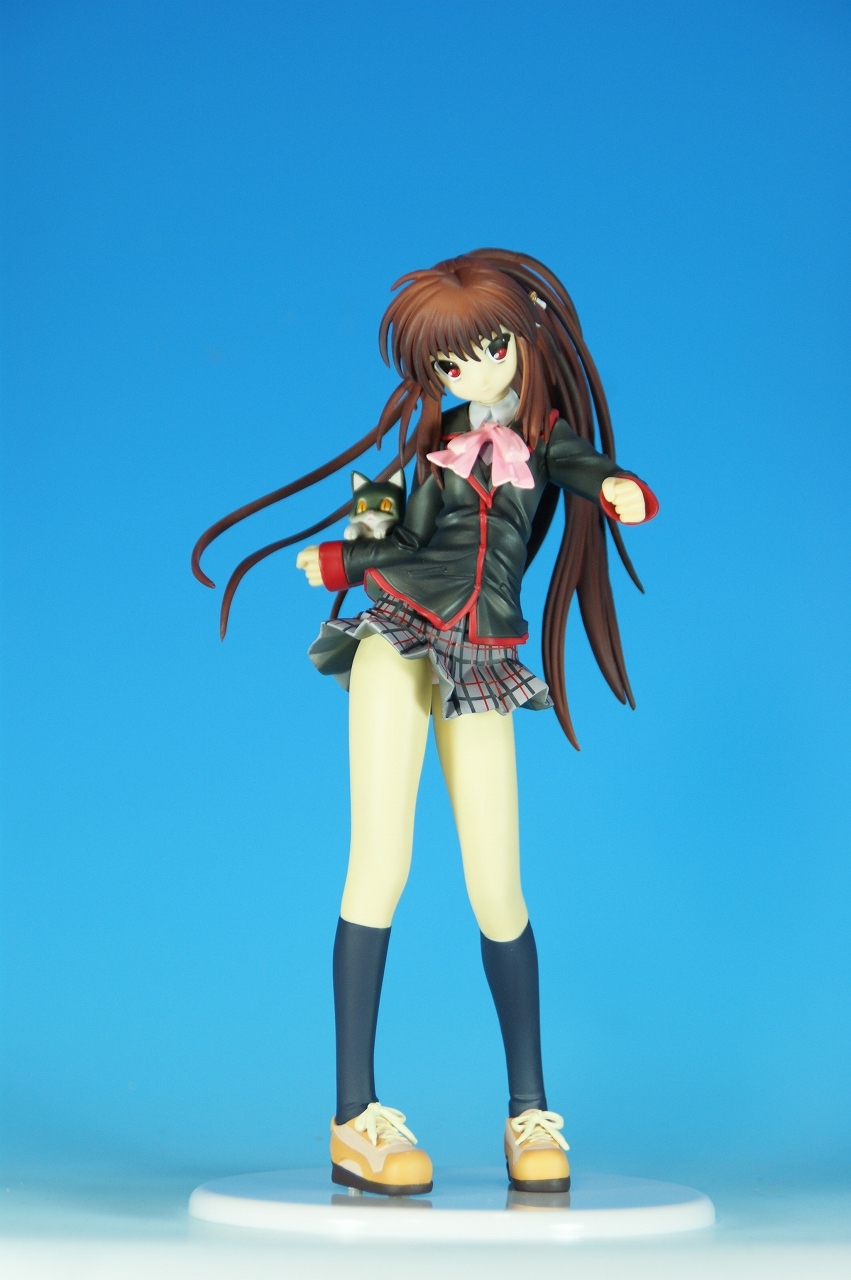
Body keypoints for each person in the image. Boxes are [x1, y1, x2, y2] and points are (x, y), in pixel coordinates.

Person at [192, 249, 658, 1197]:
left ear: (527, 337)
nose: (468, 373)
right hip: (398, 640)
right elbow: (406, 541)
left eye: (487, 349)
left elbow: (587, 469)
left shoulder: (542, 440)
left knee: (498, 883)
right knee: (380, 859)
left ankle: (528, 1112)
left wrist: (618, 489)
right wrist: (345, 558)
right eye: (448, 361)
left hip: (482, 657)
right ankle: (353, 1117)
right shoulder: (438, 443)